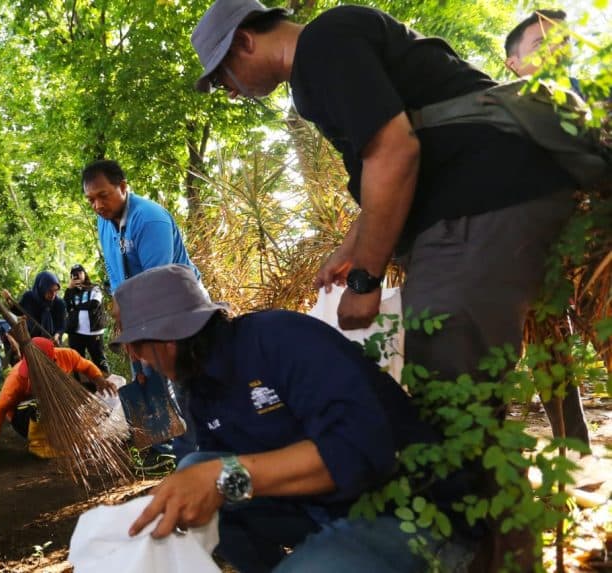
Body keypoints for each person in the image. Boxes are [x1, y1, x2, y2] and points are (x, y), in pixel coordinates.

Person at [192, 0, 575, 386]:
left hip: (481, 199)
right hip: (475, 204)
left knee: (447, 379)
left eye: (223, 77)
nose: (231, 93)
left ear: (244, 41)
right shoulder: (319, 66)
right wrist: (350, 248)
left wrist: (365, 281)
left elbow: (394, 152)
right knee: (443, 381)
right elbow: (387, 166)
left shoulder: (325, 42)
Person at [115, 265, 478, 573]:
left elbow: (357, 455)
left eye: (138, 347)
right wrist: (214, 486)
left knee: (208, 473)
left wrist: (224, 477)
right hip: (318, 509)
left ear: (167, 341)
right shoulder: (201, 390)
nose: (139, 360)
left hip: (406, 512)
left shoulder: (279, 340)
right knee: (197, 470)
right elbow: (229, 480)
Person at [505, 9, 591, 451]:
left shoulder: (596, 97)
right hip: (534, 253)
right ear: (512, 64)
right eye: (541, 45)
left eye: (564, 42)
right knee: (549, 352)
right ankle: (573, 455)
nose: (558, 51)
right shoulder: (502, 110)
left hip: (596, 246)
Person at [82, 159, 200, 463]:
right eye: (90, 199)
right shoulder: (103, 221)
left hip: (179, 310)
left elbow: (157, 283)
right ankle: (159, 450)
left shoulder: (150, 220)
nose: (97, 205)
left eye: (103, 196)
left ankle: (191, 457)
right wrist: (127, 326)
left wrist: (140, 333)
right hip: (138, 312)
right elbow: (114, 270)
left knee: (183, 381)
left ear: (123, 187)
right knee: (145, 378)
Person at [0, 337, 117, 463]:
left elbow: (86, 365)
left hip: (58, 408)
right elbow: (0, 409)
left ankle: (66, 436)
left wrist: (99, 379)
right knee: (39, 404)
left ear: (52, 359)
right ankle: (40, 446)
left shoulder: (67, 355)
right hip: (25, 417)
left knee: (78, 392)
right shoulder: (16, 378)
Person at [63, 264, 110, 375]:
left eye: (79, 273)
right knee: (77, 361)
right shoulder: (71, 292)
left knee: (99, 360)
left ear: (84, 273)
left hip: (94, 332)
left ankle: (107, 384)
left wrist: (76, 307)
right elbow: (66, 306)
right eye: (73, 274)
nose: (76, 276)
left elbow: (94, 303)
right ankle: (84, 388)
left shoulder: (94, 288)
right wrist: (69, 289)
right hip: (75, 332)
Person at [5, 271, 66, 343]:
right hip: (31, 341)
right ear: (41, 288)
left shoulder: (59, 303)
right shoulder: (29, 297)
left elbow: (62, 326)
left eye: (55, 291)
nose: (53, 294)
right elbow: (18, 311)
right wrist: (9, 301)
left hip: (52, 342)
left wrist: (57, 335)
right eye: (50, 291)